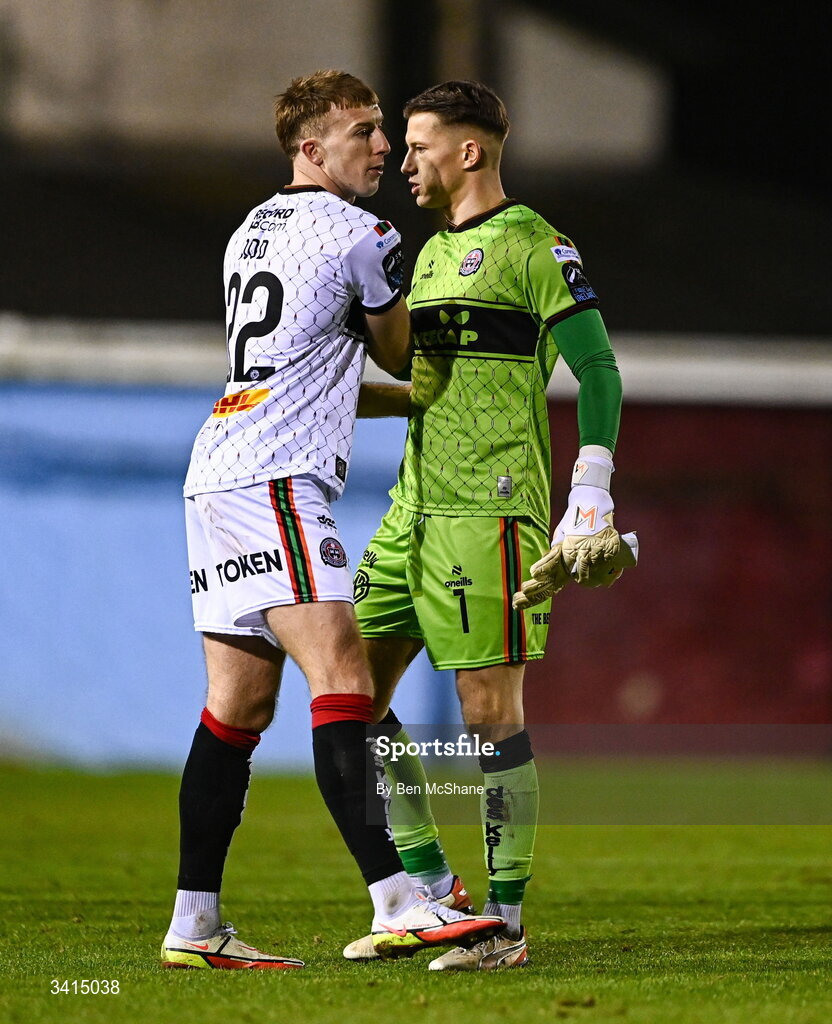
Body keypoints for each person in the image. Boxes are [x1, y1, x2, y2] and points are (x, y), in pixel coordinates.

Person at [161, 70, 503, 970]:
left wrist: (402, 397)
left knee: (237, 707)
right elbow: (398, 350)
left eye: (385, 130)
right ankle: (400, 900)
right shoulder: (366, 232)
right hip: (275, 480)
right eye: (363, 131)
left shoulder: (250, 229)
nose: (383, 146)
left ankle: (193, 926)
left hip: (220, 467)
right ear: (310, 148)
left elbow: (317, 372)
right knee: (346, 676)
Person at [343, 80, 634, 971]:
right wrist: (338, 401)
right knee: (350, 693)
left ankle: (505, 925)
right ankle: (431, 894)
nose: (406, 160)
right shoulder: (425, 258)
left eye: (420, 143)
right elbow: (430, 389)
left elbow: (601, 370)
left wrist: (592, 488)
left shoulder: (536, 244)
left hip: (491, 508)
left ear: (470, 151)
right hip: (413, 510)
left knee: (488, 714)